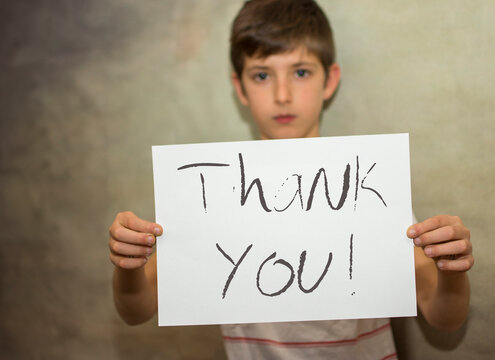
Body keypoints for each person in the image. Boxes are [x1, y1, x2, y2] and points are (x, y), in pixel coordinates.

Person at [109, 0, 474, 358]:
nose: (282, 95)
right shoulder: (214, 195)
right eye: (262, 75)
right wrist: (129, 265)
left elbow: (443, 315)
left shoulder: (368, 186)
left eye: (300, 72)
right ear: (240, 88)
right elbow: (136, 309)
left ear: (329, 81)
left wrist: (451, 269)